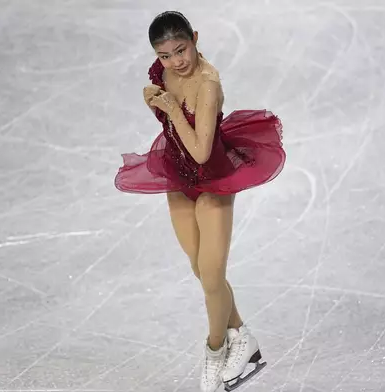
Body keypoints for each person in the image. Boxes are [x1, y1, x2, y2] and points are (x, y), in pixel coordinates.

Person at [114, 10, 285, 392]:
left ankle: (215, 349)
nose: (176, 61)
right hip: (177, 176)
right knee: (200, 268)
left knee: (211, 275)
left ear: (194, 37)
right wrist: (154, 103)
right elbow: (169, 126)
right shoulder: (164, 73)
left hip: (213, 179)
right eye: (165, 56)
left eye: (182, 49)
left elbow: (202, 152)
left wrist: (171, 108)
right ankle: (242, 335)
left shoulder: (207, 84)